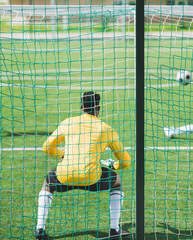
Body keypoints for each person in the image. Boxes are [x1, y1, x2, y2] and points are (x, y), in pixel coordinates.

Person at [35, 91, 132, 240]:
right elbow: (126, 162)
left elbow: (46, 147)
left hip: (65, 176)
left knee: (47, 184)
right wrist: (114, 166)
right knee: (117, 181)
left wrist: (62, 155)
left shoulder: (68, 122)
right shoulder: (106, 128)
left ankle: (39, 229)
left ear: (81, 107)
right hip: (92, 178)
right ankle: (114, 229)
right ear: (98, 108)